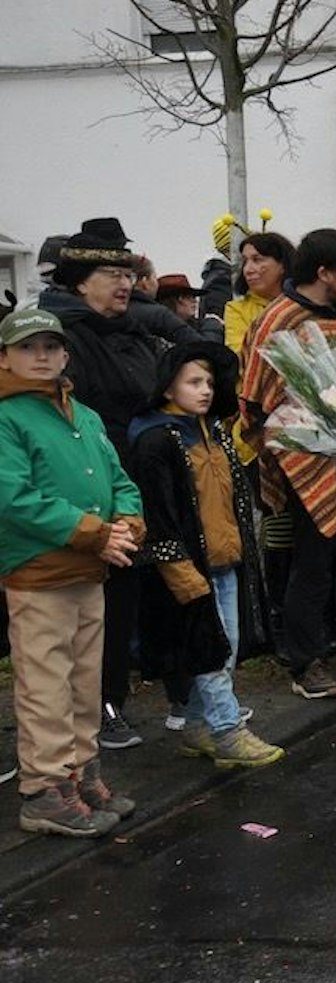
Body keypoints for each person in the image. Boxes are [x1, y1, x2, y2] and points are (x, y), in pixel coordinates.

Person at [0, 307, 146, 836]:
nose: (41, 356)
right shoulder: (6, 416)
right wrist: (97, 532)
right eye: (27, 347)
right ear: (5, 357)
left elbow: (117, 476)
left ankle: (81, 774)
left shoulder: (79, 412)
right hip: (39, 571)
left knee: (85, 680)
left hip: (92, 568)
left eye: (50, 347)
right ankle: (43, 789)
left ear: (65, 354)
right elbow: (13, 497)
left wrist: (129, 521)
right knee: (45, 684)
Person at [238, 227, 336, 699]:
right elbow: (253, 400)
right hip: (306, 465)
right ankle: (304, 660)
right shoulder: (278, 321)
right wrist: (303, 430)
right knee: (312, 564)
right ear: (324, 272)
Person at [37, 218, 162, 751]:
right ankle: (76, 716)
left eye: (128, 271)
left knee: (122, 603)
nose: (124, 282)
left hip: (132, 484)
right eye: (111, 272)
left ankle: (111, 701)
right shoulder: (60, 339)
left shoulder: (132, 332)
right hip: (80, 490)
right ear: (80, 280)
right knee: (75, 613)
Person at [129, 341, 284, 768]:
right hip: (188, 569)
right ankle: (227, 730)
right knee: (212, 650)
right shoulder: (155, 442)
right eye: (193, 382)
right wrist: (180, 573)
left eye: (210, 383)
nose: (205, 391)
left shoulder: (213, 433)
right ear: (167, 387)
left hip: (225, 562)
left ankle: (197, 726)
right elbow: (157, 514)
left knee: (223, 648)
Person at [224, 232, 293, 354]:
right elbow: (240, 356)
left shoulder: (301, 304)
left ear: (282, 265)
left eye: (257, 260)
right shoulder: (236, 309)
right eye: (245, 261)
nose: (248, 270)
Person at [127, 259, 201, 346]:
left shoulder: (116, 311)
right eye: (154, 277)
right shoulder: (159, 316)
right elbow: (204, 346)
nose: (195, 301)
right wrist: (212, 325)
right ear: (145, 281)